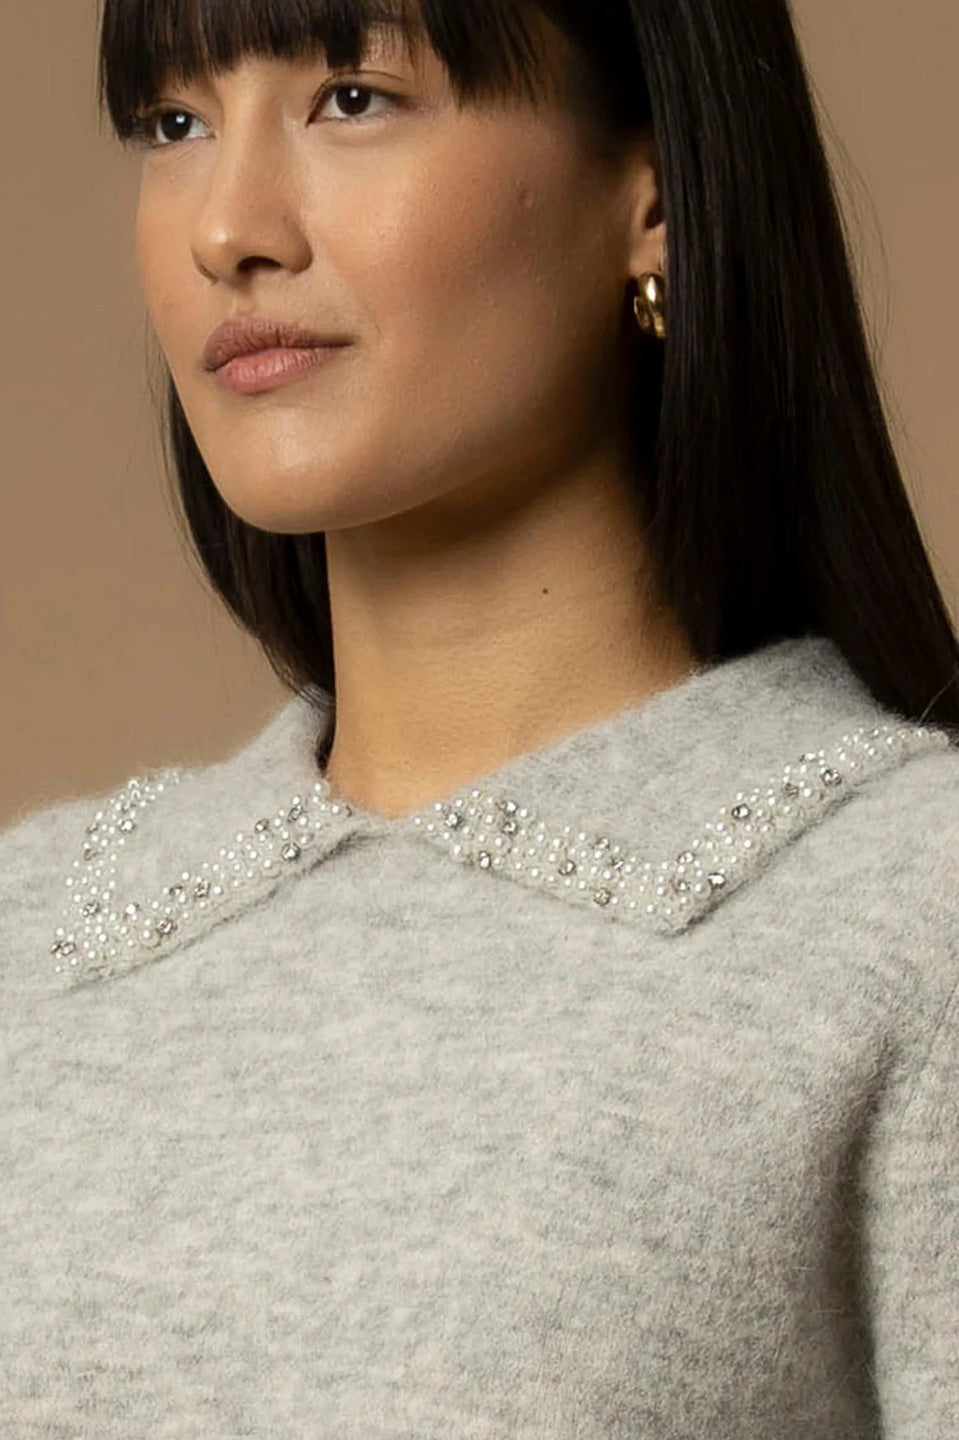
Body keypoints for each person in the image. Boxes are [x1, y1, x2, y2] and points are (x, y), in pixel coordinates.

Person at [2, 0, 958, 1434]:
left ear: (655, 197)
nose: (227, 230)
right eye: (174, 123)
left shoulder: (914, 913)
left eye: (352, 97)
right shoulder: (29, 941)